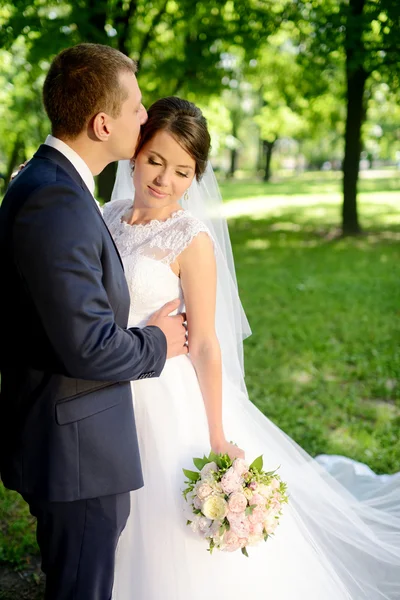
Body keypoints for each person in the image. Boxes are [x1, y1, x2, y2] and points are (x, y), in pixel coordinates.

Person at [105, 96, 400, 599]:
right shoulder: (106, 216)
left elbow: (204, 344)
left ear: (195, 176)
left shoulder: (190, 239)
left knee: (163, 516)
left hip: (164, 393)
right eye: (155, 160)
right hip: (110, 380)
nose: (163, 180)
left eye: (182, 171)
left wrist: (217, 434)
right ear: (135, 153)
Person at [0, 44, 189, 600]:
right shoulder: (54, 200)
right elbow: (89, 346)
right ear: (102, 122)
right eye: (135, 107)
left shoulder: (51, 183)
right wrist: (159, 340)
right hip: (75, 447)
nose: (144, 118)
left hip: (69, 433)